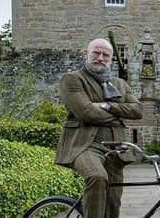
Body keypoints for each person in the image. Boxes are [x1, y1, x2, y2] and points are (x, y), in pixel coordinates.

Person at [56, 38, 143, 218]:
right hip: (84, 145)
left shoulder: (120, 84)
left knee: (113, 200)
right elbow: (86, 113)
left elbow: (138, 110)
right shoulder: (72, 79)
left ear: (111, 59)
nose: (101, 58)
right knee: (97, 177)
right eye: (96, 53)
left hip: (116, 148)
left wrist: (107, 106)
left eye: (106, 55)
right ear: (86, 54)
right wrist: (120, 114)